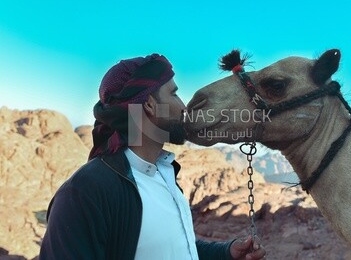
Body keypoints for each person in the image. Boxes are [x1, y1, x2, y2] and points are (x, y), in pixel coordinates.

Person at [39, 54, 266, 260]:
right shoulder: (85, 193)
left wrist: (226, 253)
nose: (184, 106)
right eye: (174, 94)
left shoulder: (164, 173)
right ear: (149, 104)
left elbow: (175, 248)